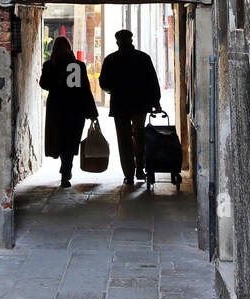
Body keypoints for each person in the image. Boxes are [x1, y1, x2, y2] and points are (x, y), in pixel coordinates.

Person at [98, 29, 162, 186]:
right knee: (139, 135)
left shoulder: (111, 59)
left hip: (120, 105)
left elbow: (103, 83)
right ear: (131, 40)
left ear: (117, 42)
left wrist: (113, 90)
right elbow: (153, 81)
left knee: (124, 139)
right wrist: (156, 102)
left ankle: (129, 174)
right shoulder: (143, 58)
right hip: (140, 104)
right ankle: (140, 167)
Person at [40, 36, 99, 188]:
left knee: (60, 138)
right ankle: (66, 169)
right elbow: (85, 89)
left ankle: (65, 168)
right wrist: (92, 112)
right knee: (72, 140)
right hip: (76, 108)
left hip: (57, 108)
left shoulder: (49, 65)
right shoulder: (78, 66)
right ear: (69, 48)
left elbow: (44, 84)